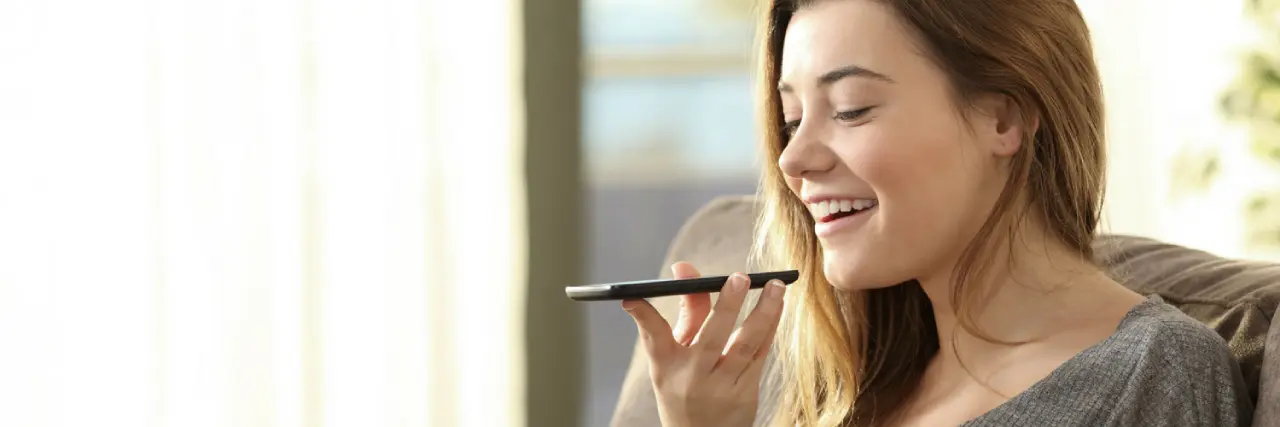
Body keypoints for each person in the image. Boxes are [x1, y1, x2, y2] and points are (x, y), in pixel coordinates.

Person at [620, 0, 1256, 426]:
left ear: (1003, 117)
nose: (793, 159)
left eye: (851, 109)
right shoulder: (852, 378)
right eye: (791, 120)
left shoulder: (1154, 372)